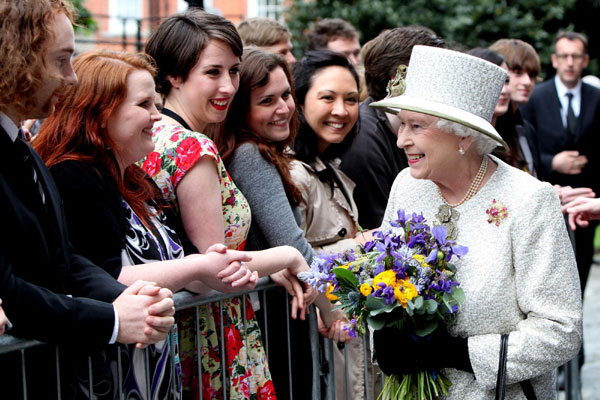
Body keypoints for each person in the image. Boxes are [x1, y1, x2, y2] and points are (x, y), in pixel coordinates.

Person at [33, 50, 260, 398]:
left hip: (154, 374)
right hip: (105, 378)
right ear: (100, 112)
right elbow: (100, 276)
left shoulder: (136, 179)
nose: (157, 116)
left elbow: (185, 268)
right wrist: (199, 266)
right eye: (143, 105)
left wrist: (213, 270)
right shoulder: (72, 177)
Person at [371, 45, 582, 399]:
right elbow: (386, 280)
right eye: (401, 123)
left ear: (464, 137)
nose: (401, 139)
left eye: (416, 126)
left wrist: (459, 354)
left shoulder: (528, 200)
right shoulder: (407, 186)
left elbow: (561, 331)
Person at [0, 0, 174, 397]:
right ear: (14, 58)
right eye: (61, 60)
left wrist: (128, 299)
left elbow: (62, 259)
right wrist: (111, 320)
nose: (71, 77)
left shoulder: (20, 147)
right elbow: (8, 288)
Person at [142, 10, 313, 399]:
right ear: (174, 75)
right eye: (212, 72)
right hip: (211, 336)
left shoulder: (153, 134)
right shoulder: (190, 145)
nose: (229, 86)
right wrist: (286, 257)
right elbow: (215, 271)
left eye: (233, 71)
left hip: (182, 333)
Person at [222, 47, 344, 399]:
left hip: (281, 308)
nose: (283, 108)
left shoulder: (259, 150)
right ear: (242, 108)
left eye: (286, 95)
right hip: (273, 319)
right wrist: (335, 311)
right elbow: (292, 243)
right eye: (266, 101)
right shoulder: (250, 155)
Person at [291, 49, 380, 400]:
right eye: (327, 98)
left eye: (351, 99)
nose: (341, 110)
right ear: (299, 102)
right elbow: (297, 255)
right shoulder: (296, 174)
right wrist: (371, 243)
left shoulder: (331, 168)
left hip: (349, 340)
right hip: (324, 344)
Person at [341, 26, 445, 229]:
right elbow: (381, 235)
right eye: (433, 73)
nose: (442, 82)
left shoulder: (398, 124)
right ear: (397, 80)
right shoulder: (364, 144)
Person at [520, 31, 600, 295]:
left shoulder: (597, 97)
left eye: (575, 56)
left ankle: (579, 335)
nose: (569, 62)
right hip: (547, 194)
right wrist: (553, 161)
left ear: (585, 60)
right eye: (564, 56)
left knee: (581, 272)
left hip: (588, 201)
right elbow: (525, 147)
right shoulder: (535, 97)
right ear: (554, 60)